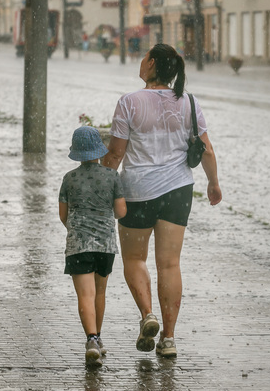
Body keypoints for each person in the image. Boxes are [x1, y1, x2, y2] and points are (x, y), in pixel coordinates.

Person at [102, 43, 222, 358]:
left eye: (143, 58)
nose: (140, 62)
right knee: (169, 263)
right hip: (178, 191)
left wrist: (102, 186)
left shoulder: (129, 102)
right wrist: (213, 183)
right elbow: (207, 149)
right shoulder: (190, 102)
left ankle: (148, 315)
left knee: (134, 260)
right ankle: (169, 338)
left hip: (137, 192)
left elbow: (115, 154)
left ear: (152, 63)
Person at [59, 126, 127, 367]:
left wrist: (78, 228)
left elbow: (63, 215)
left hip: (79, 244)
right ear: (99, 150)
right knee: (99, 292)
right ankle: (98, 337)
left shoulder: (69, 178)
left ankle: (91, 339)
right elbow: (121, 211)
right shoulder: (112, 176)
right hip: (105, 245)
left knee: (85, 295)